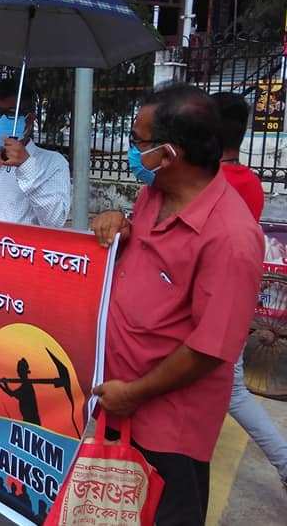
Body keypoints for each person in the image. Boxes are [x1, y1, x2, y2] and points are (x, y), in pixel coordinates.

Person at [92, 84, 265, 525]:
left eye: (138, 141)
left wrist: (132, 394)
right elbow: (145, 254)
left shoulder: (231, 237)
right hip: (121, 403)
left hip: (168, 425)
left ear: (169, 154)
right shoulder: (155, 194)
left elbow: (210, 349)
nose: (131, 149)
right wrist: (119, 225)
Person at [212, 92, 287, 489]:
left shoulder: (213, 183)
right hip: (236, 298)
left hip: (217, 304)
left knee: (233, 391)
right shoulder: (251, 181)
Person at [0, 79, 70, 226]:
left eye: (11, 114)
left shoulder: (53, 164)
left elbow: (55, 221)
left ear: (29, 120)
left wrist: (26, 166)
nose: (2, 119)